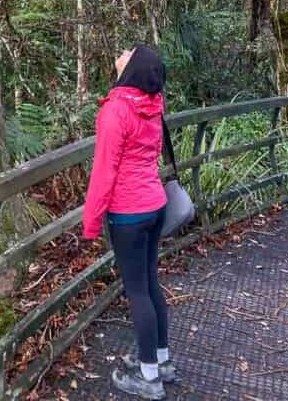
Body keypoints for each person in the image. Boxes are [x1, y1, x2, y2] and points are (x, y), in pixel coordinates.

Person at [82, 45, 176, 400]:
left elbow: (103, 173)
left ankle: (149, 378)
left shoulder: (116, 110)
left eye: (126, 52)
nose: (119, 53)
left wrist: (91, 223)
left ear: (133, 66)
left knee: (137, 291)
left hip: (129, 213)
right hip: (155, 205)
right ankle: (162, 362)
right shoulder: (153, 104)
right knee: (150, 284)